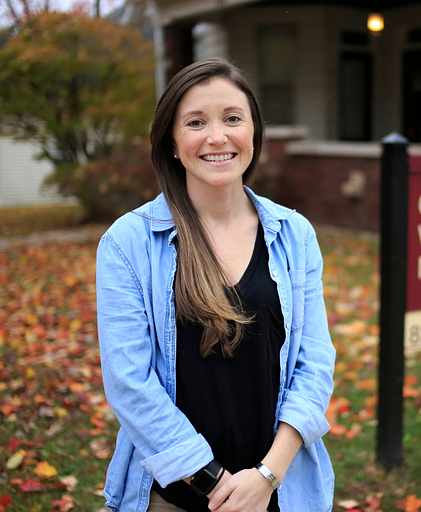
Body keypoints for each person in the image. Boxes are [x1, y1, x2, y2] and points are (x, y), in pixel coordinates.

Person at [96, 58, 336, 512]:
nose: (217, 136)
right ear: (172, 141)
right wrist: (216, 484)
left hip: (280, 490)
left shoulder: (294, 234)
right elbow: (130, 383)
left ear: (253, 131)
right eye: (195, 122)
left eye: (232, 118)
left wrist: (267, 476)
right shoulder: (127, 243)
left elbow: (315, 363)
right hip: (173, 494)